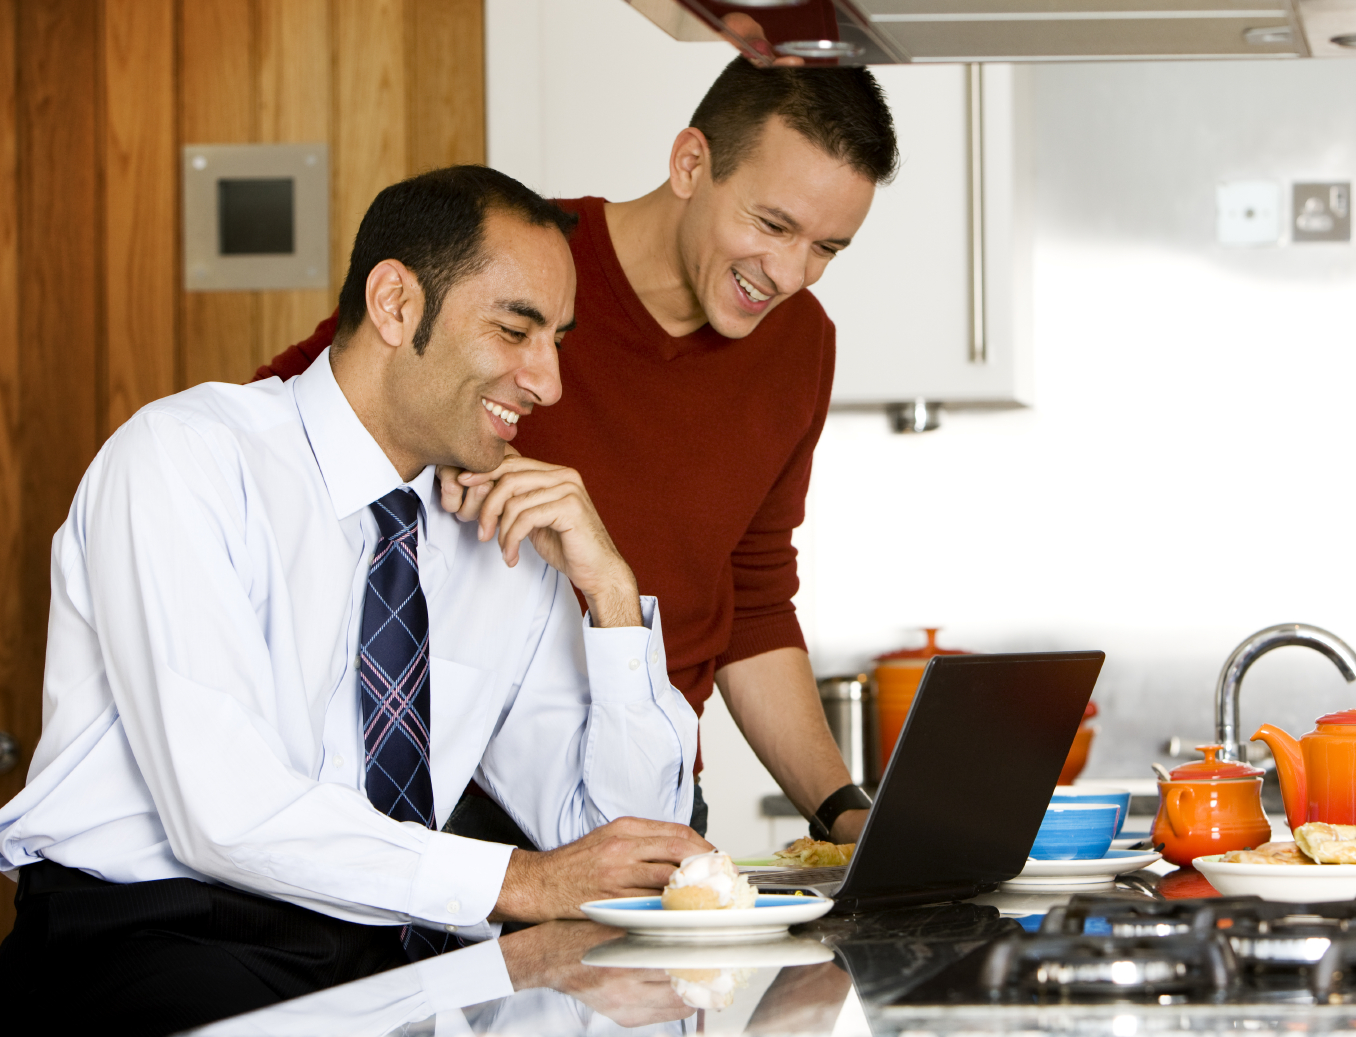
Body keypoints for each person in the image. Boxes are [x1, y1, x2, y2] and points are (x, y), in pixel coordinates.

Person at [0, 166, 711, 1034]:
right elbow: (225, 815)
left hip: (391, 955)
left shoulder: (500, 541)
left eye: (556, 339)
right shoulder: (183, 461)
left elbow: (625, 844)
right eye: (516, 330)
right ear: (395, 303)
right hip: (158, 945)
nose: (549, 381)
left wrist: (610, 592)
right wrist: (522, 880)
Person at [257, 58, 900, 845]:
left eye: (826, 247)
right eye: (772, 225)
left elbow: (754, 602)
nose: (791, 273)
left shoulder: (801, 346)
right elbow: (312, 411)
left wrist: (841, 809)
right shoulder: (522, 269)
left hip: (642, 784)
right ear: (690, 164)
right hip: (450, 788)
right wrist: (431, 443)